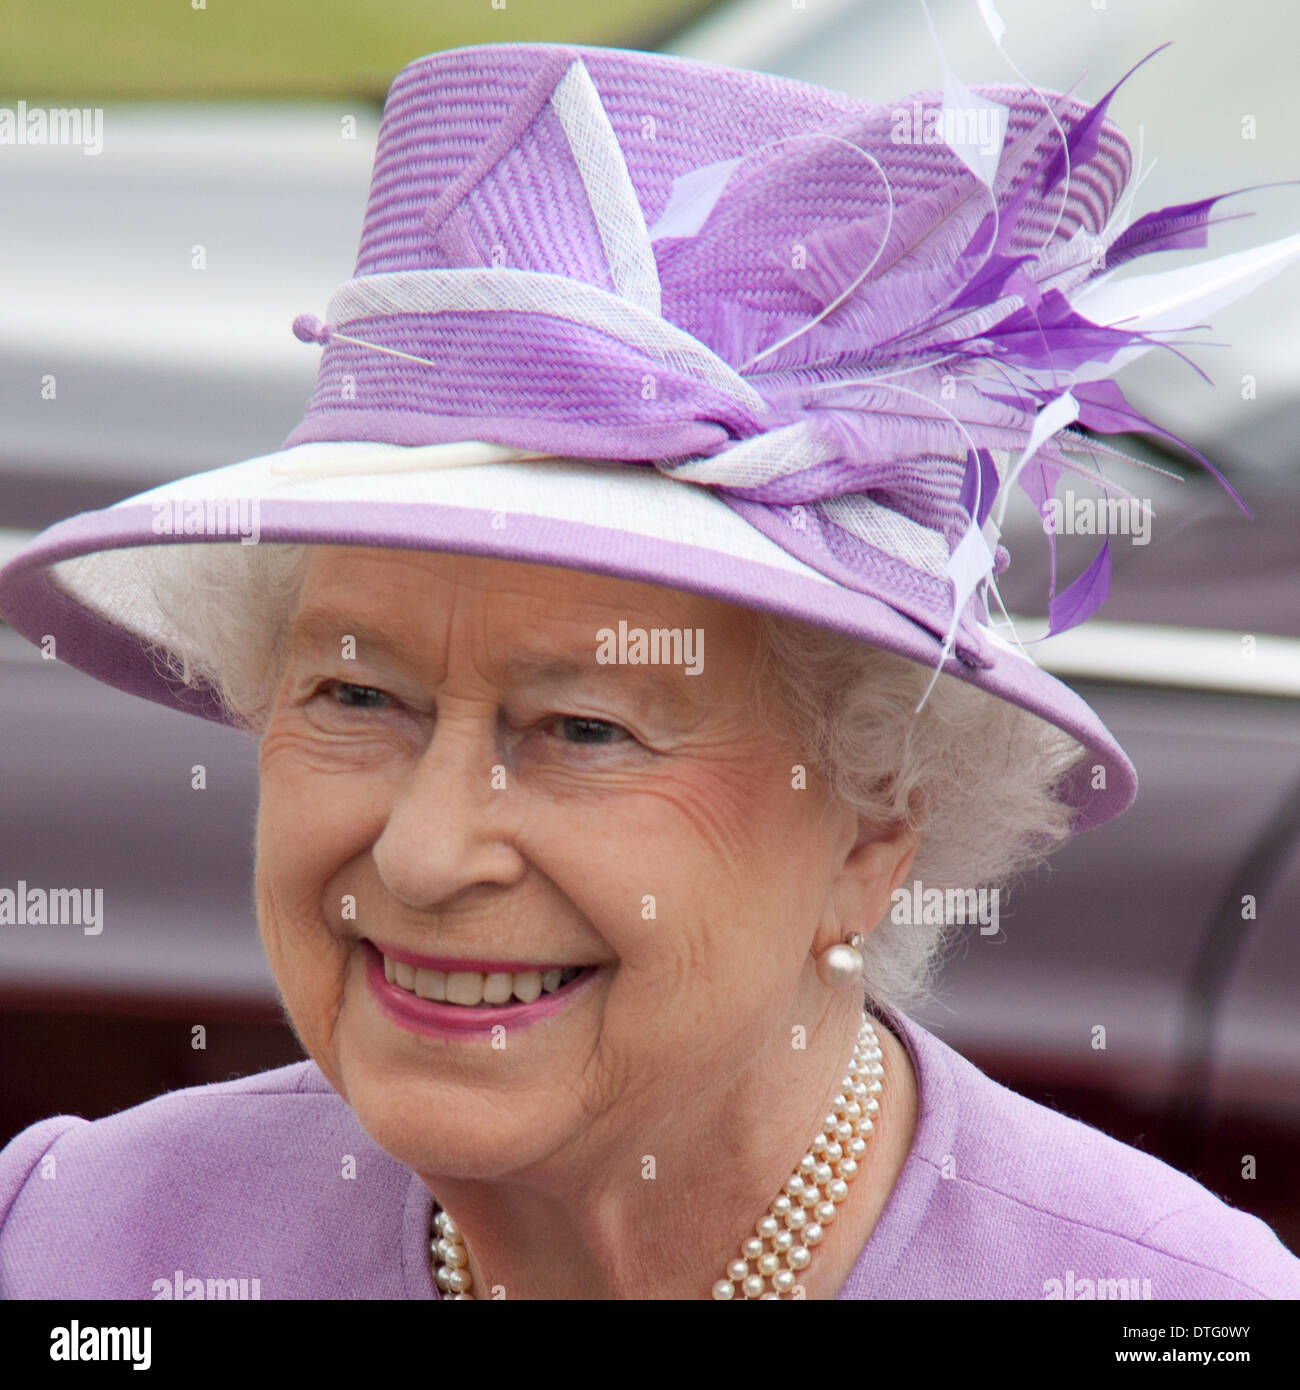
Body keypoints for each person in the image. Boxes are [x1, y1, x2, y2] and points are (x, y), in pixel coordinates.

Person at [1, 39, 1297, 1300]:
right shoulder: (78, 1247)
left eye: (582, 727)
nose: (424, 853)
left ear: (876, 823)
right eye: (355, 694)